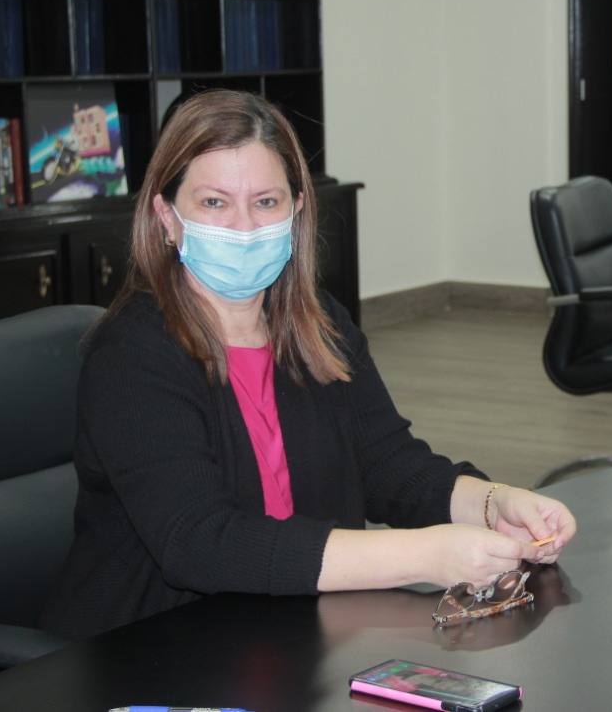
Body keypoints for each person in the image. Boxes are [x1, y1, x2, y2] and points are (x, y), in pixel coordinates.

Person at [42, 90, 576, 639]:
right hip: (152, 648)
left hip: (292, 631)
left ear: (296, 211)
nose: (244, 227)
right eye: (214, 203)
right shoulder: (132, 355)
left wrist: (493, 503)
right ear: (167, 218)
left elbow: (386, 464)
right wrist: (424, 555)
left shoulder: (318, 325)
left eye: (266, 202)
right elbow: (200, 544)